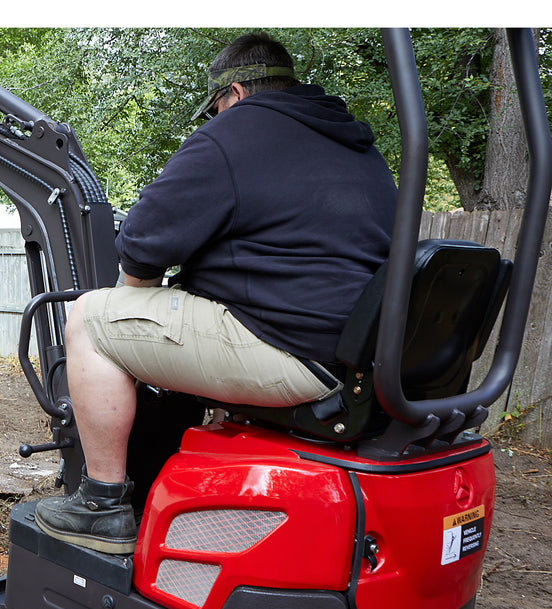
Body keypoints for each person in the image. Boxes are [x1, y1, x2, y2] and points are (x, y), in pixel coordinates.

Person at [34, 31, 397, 554]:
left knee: (90, 319)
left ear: (237, 93)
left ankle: (102, 506)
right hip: (358, 354)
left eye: (216, 108)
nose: (215, 119)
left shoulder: (234, 134)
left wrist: (130, 306)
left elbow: (141, 247)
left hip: (292, 349)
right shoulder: (356, 145)